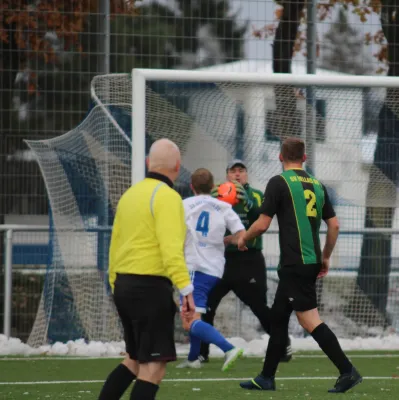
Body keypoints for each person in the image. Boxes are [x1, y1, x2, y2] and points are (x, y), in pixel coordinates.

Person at [239, 137, 362, 393]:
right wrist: (326, 256)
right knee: (278, 317)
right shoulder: (317, 185)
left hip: (296, 262)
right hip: (307, 260)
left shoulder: (279, 182)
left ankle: (348, 370)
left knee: (309, 321)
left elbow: (261, 224)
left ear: (280, 157)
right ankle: (266, 377)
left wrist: (243, 237)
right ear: (304, 158)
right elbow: (335, 225)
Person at [98, 138, 195, 400]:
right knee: (153, 368)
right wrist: (186, 290)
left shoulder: (129, 195)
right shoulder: (168, 197)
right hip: (150, 288)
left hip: (123, 284)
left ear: (147, 163)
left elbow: (114, 245)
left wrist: (115, 283)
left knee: (133, 360)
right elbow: (171, 249)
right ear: (178, 167)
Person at [199, 160, 292, 363]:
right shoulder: (215, 194)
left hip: (249, 260)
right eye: (233, 171)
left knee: (260, 307)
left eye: (241, 171)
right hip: (220, 260)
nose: (237, 174)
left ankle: (283, 344)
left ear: (246, 175)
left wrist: (249, 203)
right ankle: (201, 353)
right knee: (206, 305)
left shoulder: (257, 195)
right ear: (227, 175)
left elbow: (262, 220)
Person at [177, 168, 246, 371]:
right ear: (213, 187)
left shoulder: (184, 205)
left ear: (192, 187)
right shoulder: (223, 206)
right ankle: (193, 358)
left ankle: (228, 348)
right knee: (196, 313)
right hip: (214, 269)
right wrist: (235, 241)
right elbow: (241, 233)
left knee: (189, 320)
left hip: (193, 266)